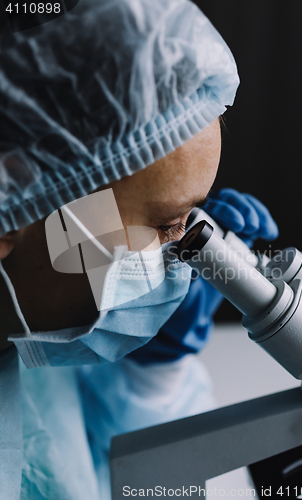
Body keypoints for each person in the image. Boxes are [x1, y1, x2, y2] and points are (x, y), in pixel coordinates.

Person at [0, 0, 278, 498]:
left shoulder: (38, 359)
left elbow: (124, 480)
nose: (187, 251)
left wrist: (156, 377)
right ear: (14, 206)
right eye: (170, 224)